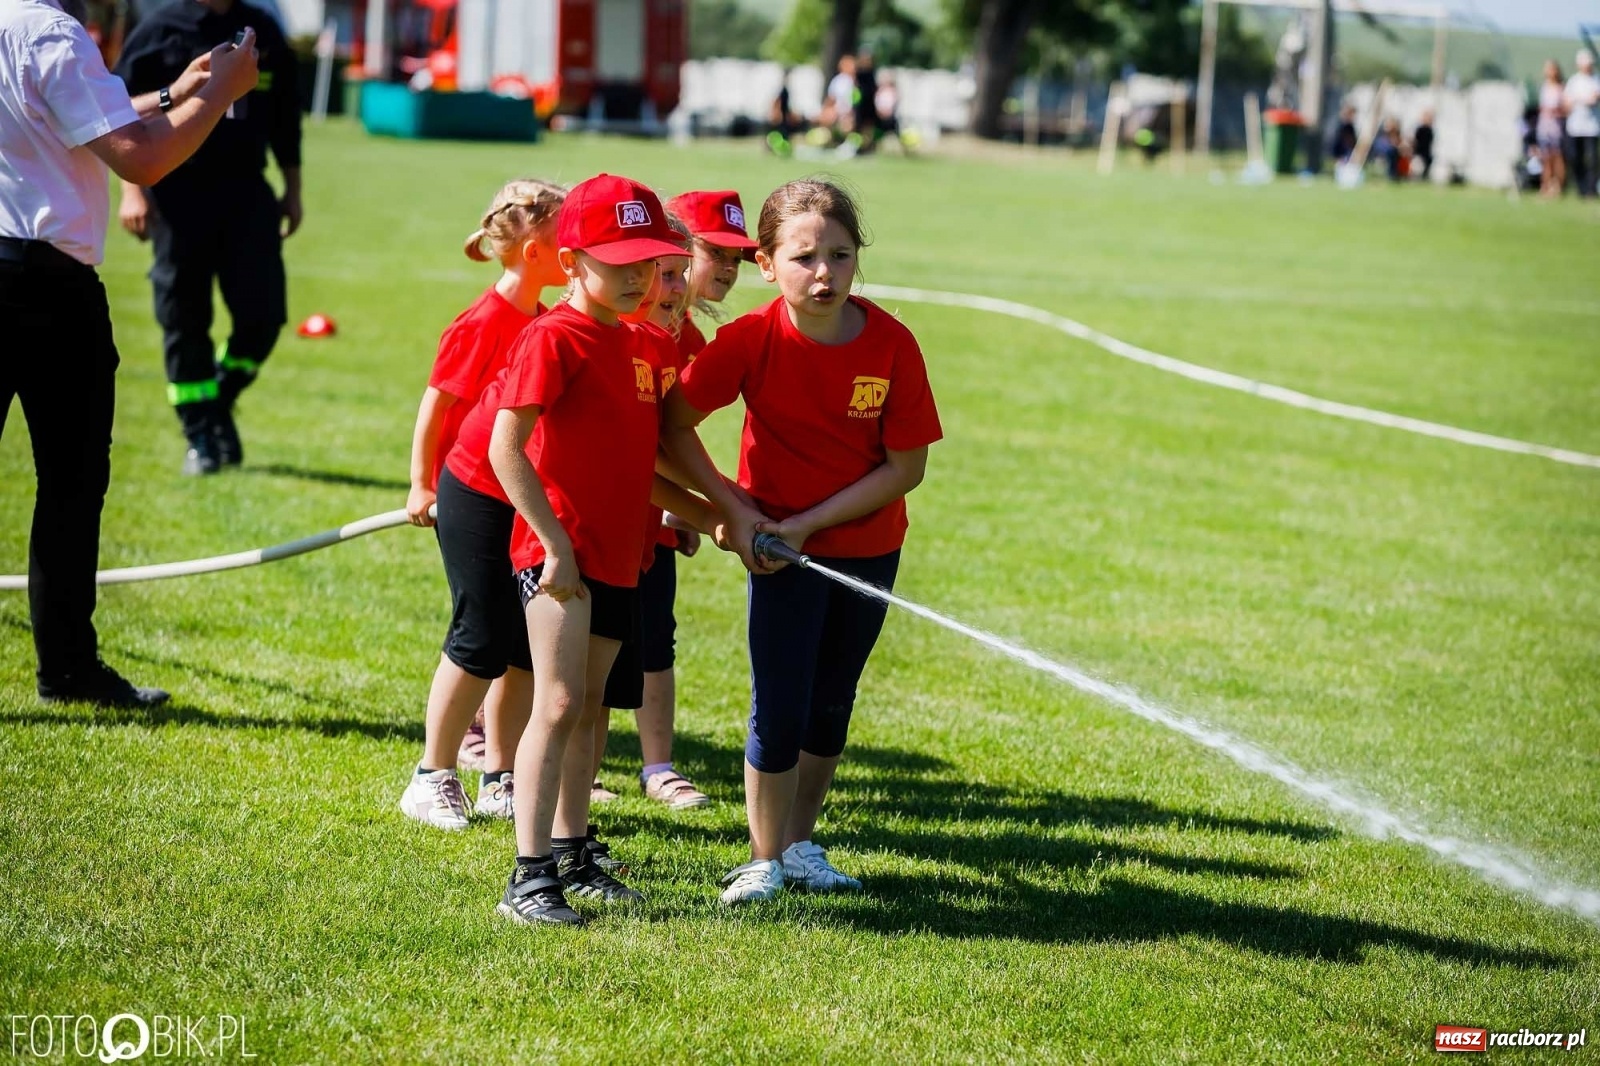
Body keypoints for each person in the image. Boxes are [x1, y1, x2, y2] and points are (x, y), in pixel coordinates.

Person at [662, 179, 943, 905]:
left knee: (830, 702)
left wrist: (811, 523)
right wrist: (735, 509)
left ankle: (798, 842)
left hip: (866, 549)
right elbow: (671, 425)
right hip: (780, 556)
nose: (824, 273)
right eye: (805, 257)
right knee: (780, 702)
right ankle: (762, 858)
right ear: (765, 263)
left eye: (841, 255)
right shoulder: (750, 340)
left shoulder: (892, 344)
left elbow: (905, 468)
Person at [1, 0, 257, 708]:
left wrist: (178, 92)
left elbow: (72, 120)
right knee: (70, 486)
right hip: (42, 285)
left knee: (68, 486)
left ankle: (71, 671)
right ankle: (69, 670)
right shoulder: (49, 30)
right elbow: (141, 157)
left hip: (21, 267)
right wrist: (222, 95)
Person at [487, 174, 704, 926]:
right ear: (573, 259)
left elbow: (645, 465)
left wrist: (715, 516)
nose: (639, 277)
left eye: (649, 262)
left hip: (620, 556)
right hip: (559, 560)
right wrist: (552, 545)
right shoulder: (551, 337)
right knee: (558, 700)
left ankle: (575, 853)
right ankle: (529, 876)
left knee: (589, 714)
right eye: (620, 263)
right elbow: (504, 448)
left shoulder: (643, 343)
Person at [397, 179, 567, 830]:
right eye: (564, 242)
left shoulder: (544, 319)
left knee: (520, 641)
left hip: (518, 492)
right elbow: (436, 403)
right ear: (532, 251)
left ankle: (499, 775)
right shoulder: (483, 321)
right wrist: (421, 482)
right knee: (481, 634)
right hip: (470, 486)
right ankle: (431, 774)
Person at [114, 0, 302, 475]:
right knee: (184, 317)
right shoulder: (158, 29)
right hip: (177, 195)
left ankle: (218, 402)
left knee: (263, 316)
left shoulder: (262, 30)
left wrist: (293, 189)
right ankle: (199, 434)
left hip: (247, 193)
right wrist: (131, 192)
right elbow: (114, 114)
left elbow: (285, 117)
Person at [1565, 50, 1599, 199]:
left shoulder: (1597, 79)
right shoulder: (1574, 81)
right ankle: (1581, 188)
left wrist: (1580, 99)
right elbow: (1567, 101)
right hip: (1575, 127)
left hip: (1592, 127)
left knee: (1592, 159)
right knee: (1575, 158)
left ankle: (1591, 190)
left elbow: (1594, 99)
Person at [1537, 60, 1568, 198]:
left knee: (1557, 157)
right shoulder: (1544, 87)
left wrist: (1556, 111)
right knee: (1546, 158)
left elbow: (1566, 108)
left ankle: (1558, 187)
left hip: (1556, 127)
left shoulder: (1561, 88)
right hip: (1544, 127)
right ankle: (1545, 186)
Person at [1412, 110, 1435, 181]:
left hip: (1426, 154)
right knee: (1418, 169)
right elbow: (1415, 142)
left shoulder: (1430, 130)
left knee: (1425, 169)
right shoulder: (1419, 129)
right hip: (1419, 153)